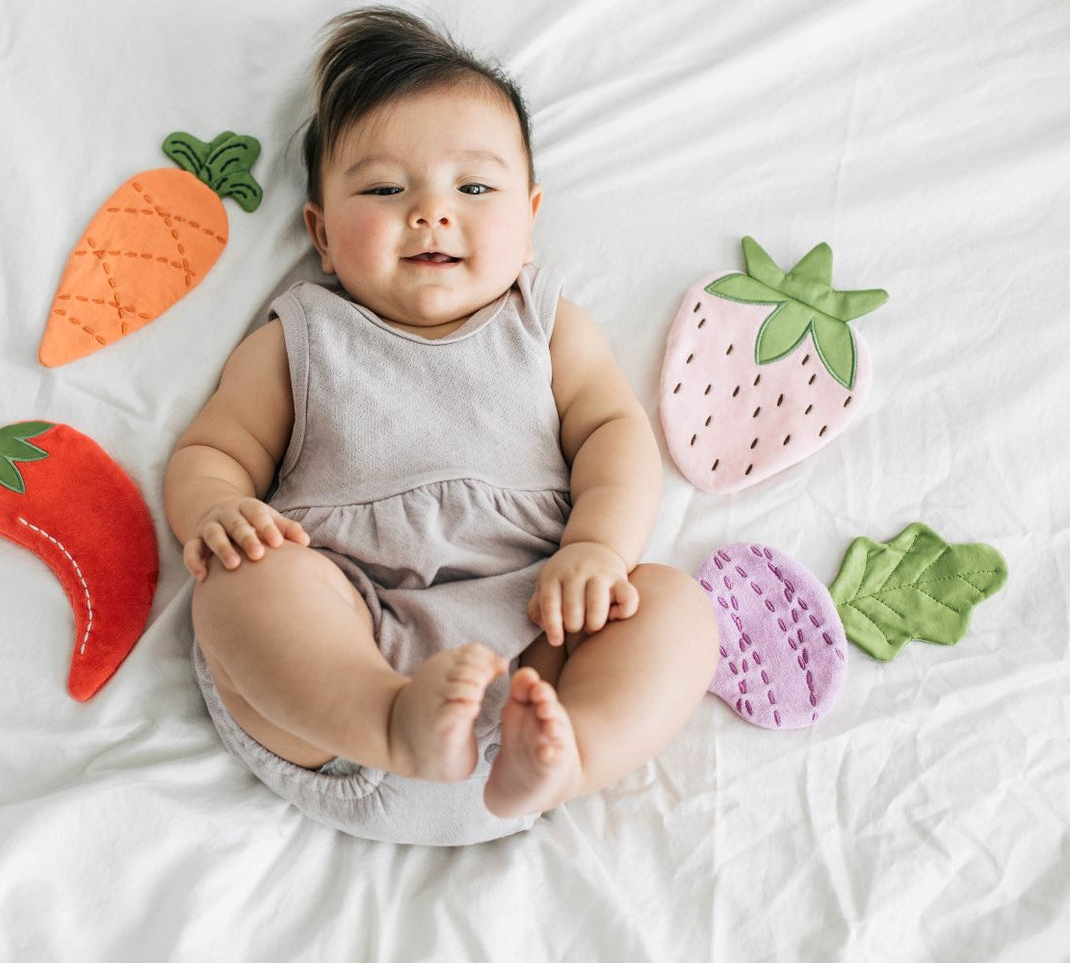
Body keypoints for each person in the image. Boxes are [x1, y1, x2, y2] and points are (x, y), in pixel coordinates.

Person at [163, 6, 719, 846]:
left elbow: (613, 431)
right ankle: (395, 721)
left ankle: (579, 753)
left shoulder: (545, 324)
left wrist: (596, 549)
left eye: (474, 187)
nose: (431, 212)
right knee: (241, 584)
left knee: (675, 606)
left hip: (542, 651)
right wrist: (214, 509)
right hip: (349, 671)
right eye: (385, 189)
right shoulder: (302, 337)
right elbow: (212, 450)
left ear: (528, 219)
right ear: (318, 232)